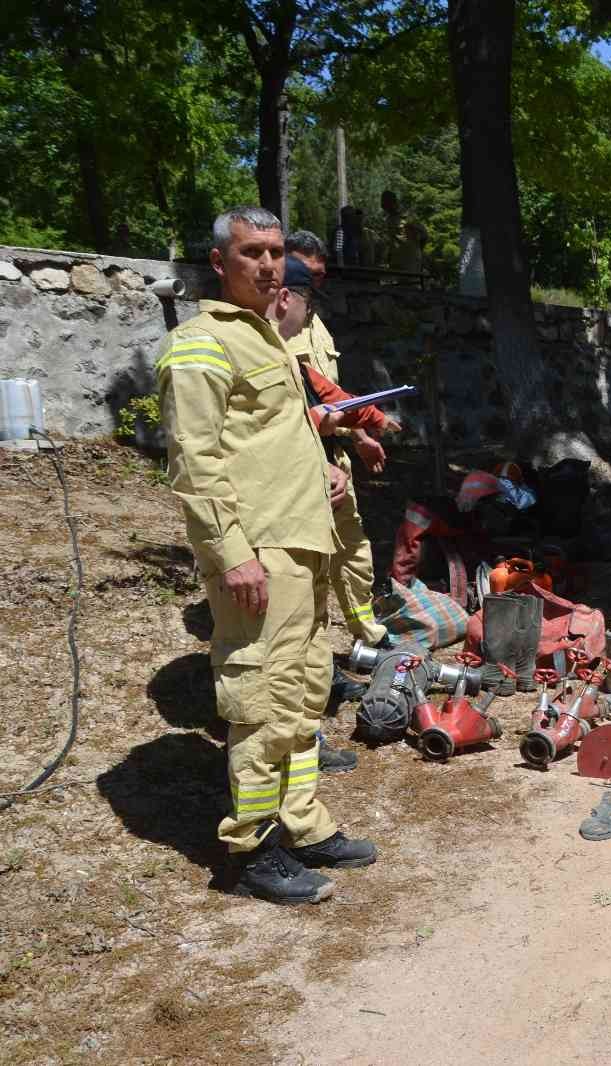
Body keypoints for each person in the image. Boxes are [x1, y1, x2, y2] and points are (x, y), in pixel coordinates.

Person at [155, 205, 377, 905]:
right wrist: (231, 553)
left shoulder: (273, 339)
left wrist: (327, 469)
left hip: (305, 541)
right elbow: (195, 460)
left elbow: (273, 437)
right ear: (219, 262)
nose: (268, 264)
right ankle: (250, 851)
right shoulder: (201, 343)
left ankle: (303, 823)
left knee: (306, 691)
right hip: (261, 550)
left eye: (276, 251)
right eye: (251, 252)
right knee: (259, 698)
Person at [282, 233, 399, 698]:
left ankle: (368, 636)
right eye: (307, 281)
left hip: (332, 456)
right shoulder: (268, 331)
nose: (313, 294)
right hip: (297, 463)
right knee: (310, 571)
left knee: (353, 549)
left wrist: (363, 430)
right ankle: (316, 675)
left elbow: (331, 394)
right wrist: (348, 425)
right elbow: (303, 406)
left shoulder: (315, 323)